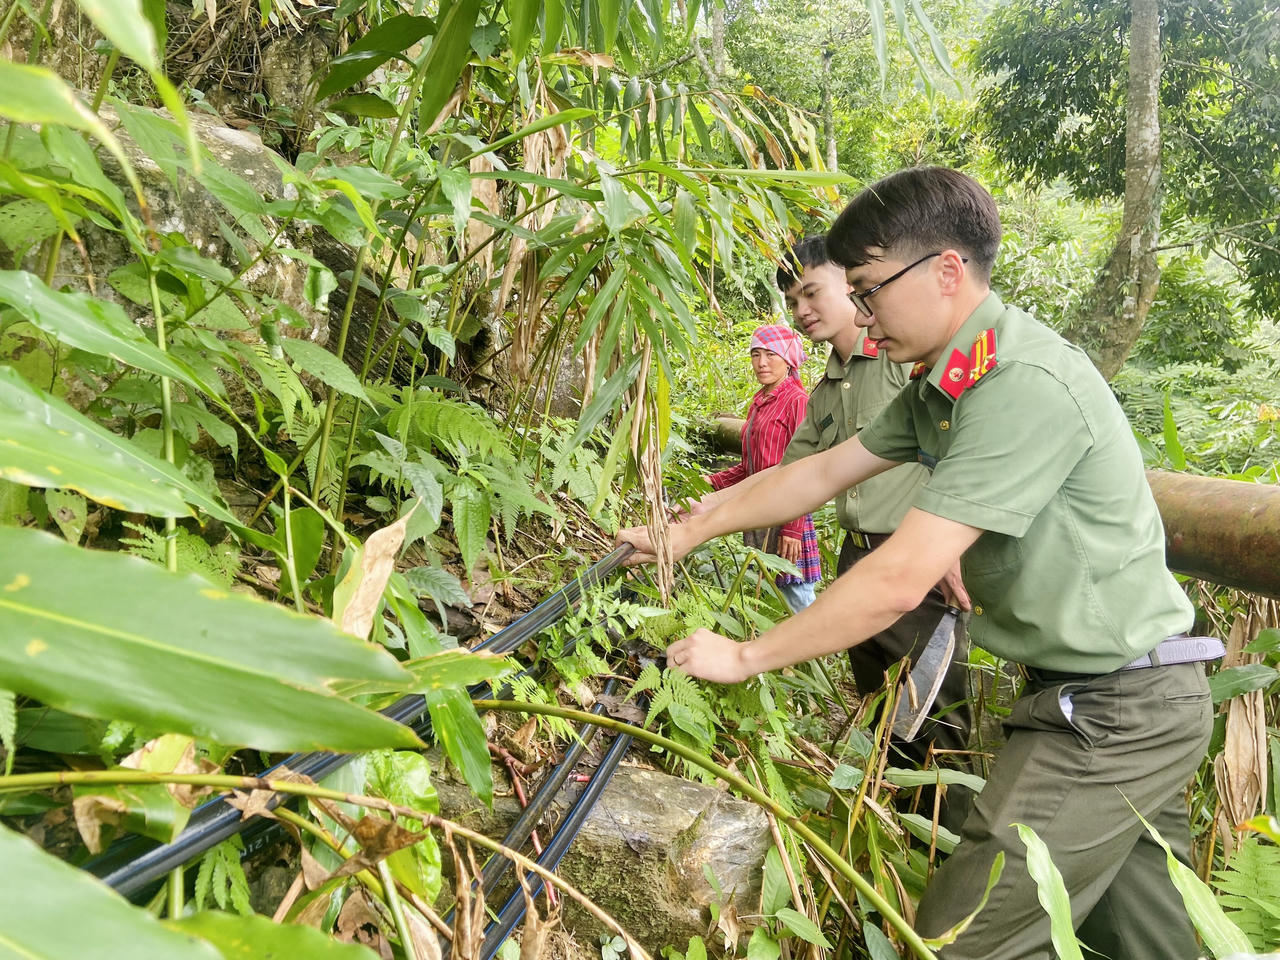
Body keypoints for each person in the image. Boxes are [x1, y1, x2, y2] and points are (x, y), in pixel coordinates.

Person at [620, 167, 1218, 959]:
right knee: (1154, 939)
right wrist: (685, 532)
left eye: (869, 290)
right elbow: (819, 472)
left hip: (1116, 712)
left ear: (944, 270)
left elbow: (903, 575)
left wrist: (746, 656)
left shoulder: (1020, 383)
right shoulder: (953, 378)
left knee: (954, 941)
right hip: (1100, 696)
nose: (862, 318)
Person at [686, 237, 974, 825]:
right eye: (792, 301)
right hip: (858, 557)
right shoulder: (828, 387)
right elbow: (792, 474)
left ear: (854, 283)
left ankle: (946, 850)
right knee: (880, 712)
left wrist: (958, 535)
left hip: (918, 567)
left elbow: (965, 437)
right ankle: (889, 839)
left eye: (811, 291)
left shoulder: (906, 364)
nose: (801, 310)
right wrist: (701, 519)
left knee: (934, 725)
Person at [706, 324, 821, 612]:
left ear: (789, 359)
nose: (761, 363)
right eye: (756, 355)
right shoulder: (760, 402)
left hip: (788, 513)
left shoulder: (797, 402)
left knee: (799, 595)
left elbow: (804, 467)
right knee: (779, 592)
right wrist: (711, 482)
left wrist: (793, 529)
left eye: (770, 354)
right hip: (763, 508)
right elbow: (750, 467)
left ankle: (823, 654)